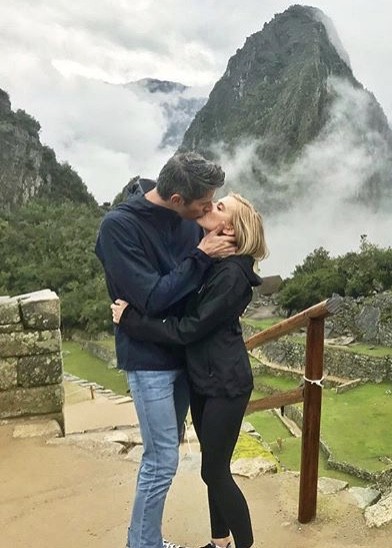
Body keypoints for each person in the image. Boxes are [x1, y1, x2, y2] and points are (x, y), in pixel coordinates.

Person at [112, 193, 269, 548]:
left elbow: (188, 328)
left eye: (219, 207)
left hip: (225, 384)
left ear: (229, 227)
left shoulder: (231, 275)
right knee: (213, 470)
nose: (208, 208)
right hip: (206, 378)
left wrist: (132, 322)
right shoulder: (216, 265)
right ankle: (220, 543)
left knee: (214, 471)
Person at [95, 152, 236, 548]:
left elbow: (195, 284)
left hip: (184, 354)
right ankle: (142, 544)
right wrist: (202, 255)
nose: (208, 210)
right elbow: (153, 298)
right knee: (161, 462)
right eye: (203, 205)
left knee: (165, 452)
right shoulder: (119, 227)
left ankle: (146, 541)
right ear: (177, 200)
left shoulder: (189, 220)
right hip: (149, 361)